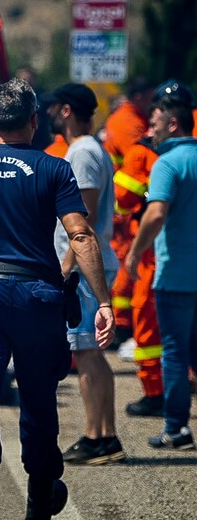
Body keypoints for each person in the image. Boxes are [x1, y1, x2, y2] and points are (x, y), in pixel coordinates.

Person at [0, 78, 115, 520]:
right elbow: (81, 236)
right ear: (35, 123)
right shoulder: (54, 168)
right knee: (38, 399)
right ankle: (40, 499)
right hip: (37, 296)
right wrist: (103, 302)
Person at [48, 83, 125, 466]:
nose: (46, 114)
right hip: (90, 263)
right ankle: (105, 436)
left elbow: (86, 218)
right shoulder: (88, 150)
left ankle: (96, 436)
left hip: (84, 267)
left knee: (87, 355)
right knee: (95, 354)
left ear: (65, 111)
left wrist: (67, 266)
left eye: (52, 108)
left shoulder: (82, 152)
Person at [126, 91, 197, 450]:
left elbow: (154, 213)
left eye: (154, 124)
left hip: (176, 276)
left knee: (174, 351)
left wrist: (135, 254)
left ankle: (176, 428)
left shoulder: (168, 164)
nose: (149, 131)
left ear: (173, 123)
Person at [113, 134, 164, 417]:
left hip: (151, 248)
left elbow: (122, 196)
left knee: (146, 313)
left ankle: (155, 392)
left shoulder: (142, 152)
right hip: (180, 246)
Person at [103, 78, 155, 342]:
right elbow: (142, 158)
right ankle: (122, 324)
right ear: (137, 97)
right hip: (124, 205)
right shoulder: (130, 124)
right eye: (149, 97)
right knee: (127, 262)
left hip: (121, 201)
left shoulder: (125, 118)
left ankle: (121, 321)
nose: (152, 103)